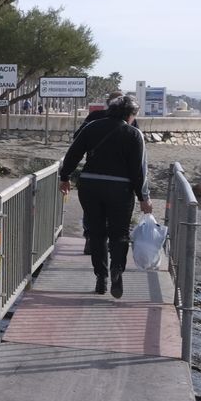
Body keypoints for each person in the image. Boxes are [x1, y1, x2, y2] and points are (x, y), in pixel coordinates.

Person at [59, 95, 152, 297]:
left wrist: (65, 177)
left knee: (97, 232)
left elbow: (73, 153)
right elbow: (139, 170)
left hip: (90, 186)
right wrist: (143, 197)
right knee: (120, 233)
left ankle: (101, 278)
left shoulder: (92, 127)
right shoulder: (134, 134)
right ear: (130, 115)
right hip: (120, 189)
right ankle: (117, 269)